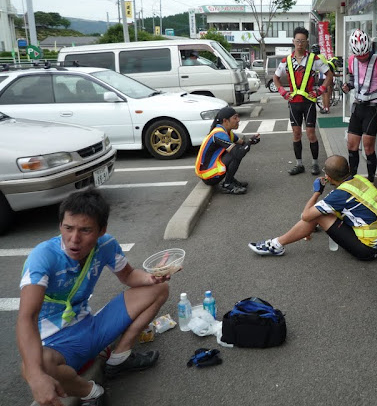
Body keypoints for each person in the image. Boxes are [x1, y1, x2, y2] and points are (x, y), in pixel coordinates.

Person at [17, 189, 173, 406]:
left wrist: (152, 277)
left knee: (160, 289)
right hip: (57, 344)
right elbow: (27, 317)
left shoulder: (106, 245)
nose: (74, 239)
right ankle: (92, 392)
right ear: (60, 226)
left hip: (91, 326)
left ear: (102, 230)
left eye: (85, 230)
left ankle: (119, 358)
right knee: (33, 367)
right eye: (68, 228)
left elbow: (128, 275)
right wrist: (36, 377)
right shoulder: (43, 257)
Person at [248, 154, 377, 261]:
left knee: (318, 216)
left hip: (368, 250)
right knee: (322, 212)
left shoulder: (339, 195)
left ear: (328, 177)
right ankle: (303, 231)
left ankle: (276, 245)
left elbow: (305, 215)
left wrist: (317, 192)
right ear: (348, 169)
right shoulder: (359, 179)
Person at [273, 27, 334, 176]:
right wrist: (283, 92)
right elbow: (276, 77)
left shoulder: (314, 59)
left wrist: (320, 90)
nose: (300, 44)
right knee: (296, 134)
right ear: (293, 41)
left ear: (307, 42)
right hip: (294, 103)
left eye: (302, 41)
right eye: (297, 41)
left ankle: (315, 164)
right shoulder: (286, 60)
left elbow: (329, 75)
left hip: (309, 102)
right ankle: (299, 164)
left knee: (311, 134)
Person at [341, 29, 377, 183]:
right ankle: (352, 179)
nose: (362, 58)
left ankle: (371, 180)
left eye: (364, 55)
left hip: (372, 108)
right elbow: (353, 80)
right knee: (352, 145)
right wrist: (347, 86)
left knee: (368, 147)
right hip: (358, 106)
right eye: (358, 56)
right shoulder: (352, 60)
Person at [195, 106, 260, 195]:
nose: (238, 120)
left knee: (236, 149)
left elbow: (243, 144)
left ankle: (230, 180)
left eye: (238, 117)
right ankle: (228, 184)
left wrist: (251, 142)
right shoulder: (219, 134)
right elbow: (238, 153)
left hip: (211, 171)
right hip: (208, 176)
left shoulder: (227, 132)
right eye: (235, 118)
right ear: (225, 121)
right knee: (235, 153)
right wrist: (249, 142)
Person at [310, 44, 341, 114]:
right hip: (323, 77)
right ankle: (325, 108)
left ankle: (326, 108)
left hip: (322, 77)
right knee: (324, 94)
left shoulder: (316, 57)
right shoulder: (321, 56)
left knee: (325, 94)